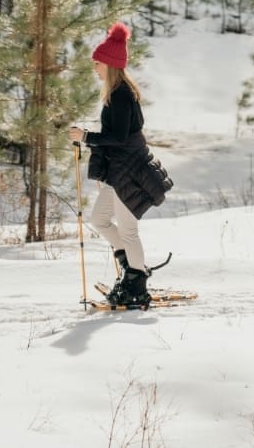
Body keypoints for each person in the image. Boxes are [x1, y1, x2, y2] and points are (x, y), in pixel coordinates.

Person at [68, 22, 172, 309]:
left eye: (97, 63)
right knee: (99, 221)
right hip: (118, 173)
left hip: (130, 173)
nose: (95, 68)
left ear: (110, 65)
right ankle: (131, 269)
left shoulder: (123, 94)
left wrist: (86, 136)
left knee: (128, 231)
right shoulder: (114, 94)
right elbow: (115, 138)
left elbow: (120, 137)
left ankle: (137, 286)